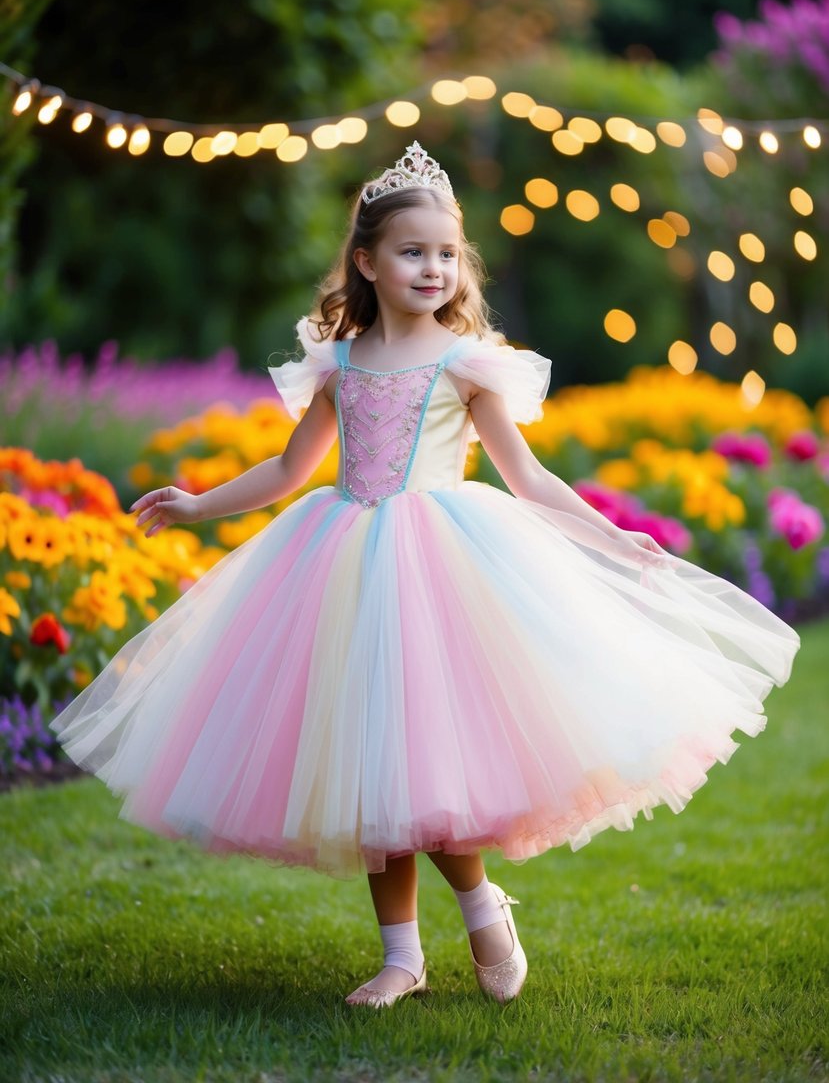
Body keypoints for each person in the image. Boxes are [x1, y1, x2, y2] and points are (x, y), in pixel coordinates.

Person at [50, 142, 800, 1009]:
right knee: (376, 772)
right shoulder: (338, 365)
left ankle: (483, 909)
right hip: (337, 570)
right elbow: (290, 472)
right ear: (366, 262)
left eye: (446, 253)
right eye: (412, 252)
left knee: (432, 765)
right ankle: (400, 956)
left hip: (443, 571)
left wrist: (610, 538)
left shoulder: (465, 365)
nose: (433, 267)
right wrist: (197, 503)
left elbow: (528, 478)